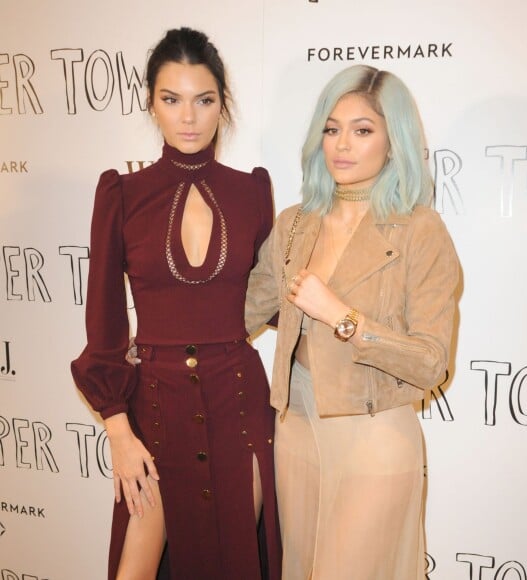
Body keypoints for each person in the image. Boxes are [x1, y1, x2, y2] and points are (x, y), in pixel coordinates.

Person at [71, 28, 281, 580]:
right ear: (151, 104)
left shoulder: (253, 191)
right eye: (172, 99)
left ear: (222, 105)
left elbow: (271, 301)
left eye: (204, 100)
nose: (189, 117)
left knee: (238, 564)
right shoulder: (121, 194)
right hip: (155, 411)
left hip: (239, 403)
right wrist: (118, 430)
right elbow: (105, 323)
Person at [245, 64, 460, 579]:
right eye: (332, 128)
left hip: (375, 437)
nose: (342, 144)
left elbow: (432, 362)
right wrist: (158, 337)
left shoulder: (419, 229)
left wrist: (344, 318)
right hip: (296, 431)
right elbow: (242, 309)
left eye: (363, 130)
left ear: (394, 141)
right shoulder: (295, 224)